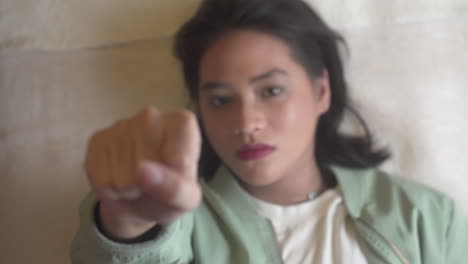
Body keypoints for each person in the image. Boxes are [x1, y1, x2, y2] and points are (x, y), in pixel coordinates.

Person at [70, 0, 468, 263]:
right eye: (221, 100)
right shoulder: (181, 226)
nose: (246, 123)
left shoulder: (426, 217)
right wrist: (126, 227)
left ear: (321, 90)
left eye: (272, 91)